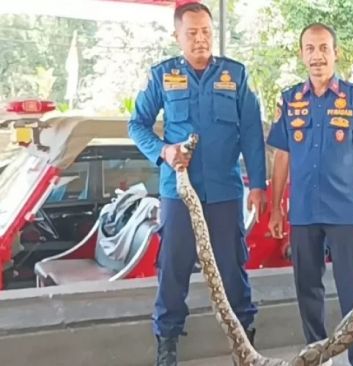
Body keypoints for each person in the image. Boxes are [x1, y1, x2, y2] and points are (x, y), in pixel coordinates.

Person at [127, 1, 266, 365]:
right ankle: (168, 343)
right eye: (192, 33)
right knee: (173, 267)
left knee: (233, 266)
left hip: (224, 191)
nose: (201, 39)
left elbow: (252, 133)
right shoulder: (162, 76)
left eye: (206, 31)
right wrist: (164, 151)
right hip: (179, 193)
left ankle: (245, 341)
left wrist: (259, 185)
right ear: (177, 36)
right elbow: (137, 125)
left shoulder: (235, 76)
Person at [266, 23, 353, 366]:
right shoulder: (289, 100)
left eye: (323, 48)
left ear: (336, 53)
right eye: (310, 48)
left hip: (344, 212)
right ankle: (317, 356)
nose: (317, 56)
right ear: (302, 53)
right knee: (308, 291)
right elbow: (282, 156)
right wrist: (275, 208)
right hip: (303, 213)